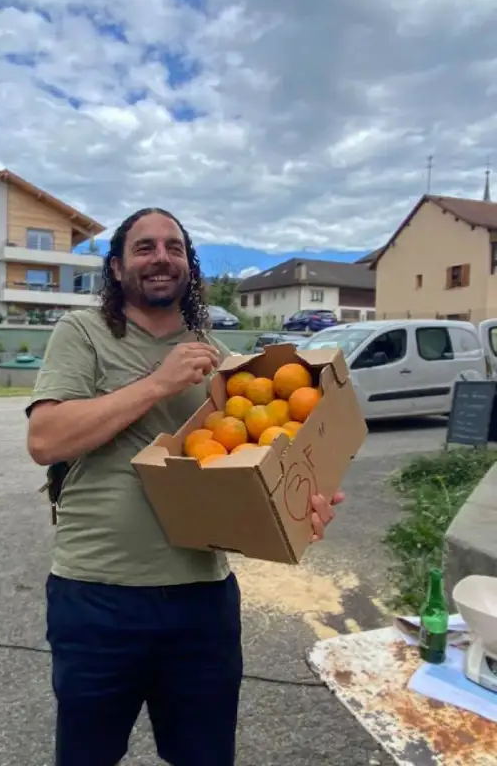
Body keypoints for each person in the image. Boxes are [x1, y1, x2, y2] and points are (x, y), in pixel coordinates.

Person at [26, 208, 344, 766]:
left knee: (204, 756)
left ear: (188, 266)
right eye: (144, 247)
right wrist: (158, 383)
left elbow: (252, 463)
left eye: (174, 247)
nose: (161, 257)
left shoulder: (218, 360)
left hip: (201, 599)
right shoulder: (83, 333)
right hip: (99, 596)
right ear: (118, 265)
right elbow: (46, 440)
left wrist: (302, 504)